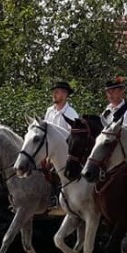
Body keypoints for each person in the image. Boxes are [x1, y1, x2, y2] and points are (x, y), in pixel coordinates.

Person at [43, 81, 78, 212]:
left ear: (64, 94)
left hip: (64, 152)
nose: (55, 95)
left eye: (57, 92)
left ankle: (56, 200)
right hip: (49, 152)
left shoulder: (71, 113)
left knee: (56, 171)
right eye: (54, 92)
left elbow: (73, 138)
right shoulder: (49, 111)